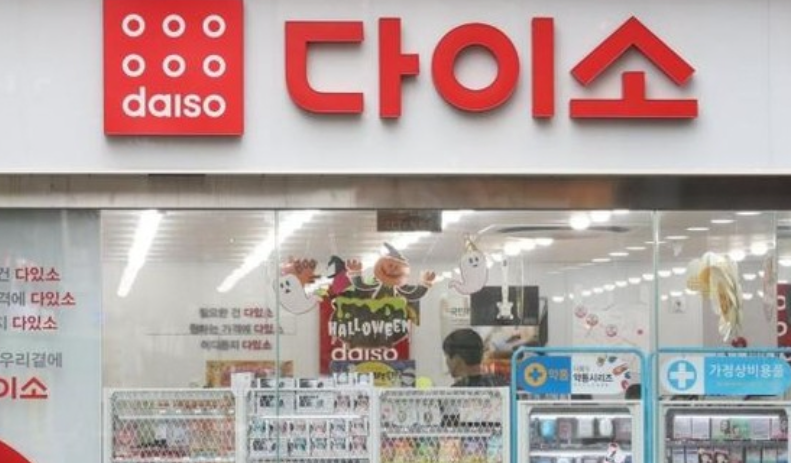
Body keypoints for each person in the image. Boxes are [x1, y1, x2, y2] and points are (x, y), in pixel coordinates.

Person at [443, 328, 508, 387]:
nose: (446, 361)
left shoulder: (456, 392)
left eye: (446, 356)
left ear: (456, 359)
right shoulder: (502, 383)